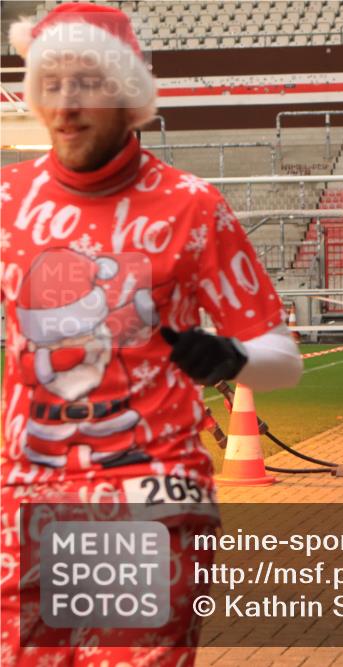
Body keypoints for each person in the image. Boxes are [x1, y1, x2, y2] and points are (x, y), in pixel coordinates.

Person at [0, 4, 303, 663]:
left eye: (87, 82)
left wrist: (233, 356)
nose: (66, 104)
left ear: (130, 95)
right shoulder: (6, 199)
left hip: (149, 492)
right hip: (27, 497)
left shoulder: (191, 204)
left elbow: (282, 359)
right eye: (50, 83)